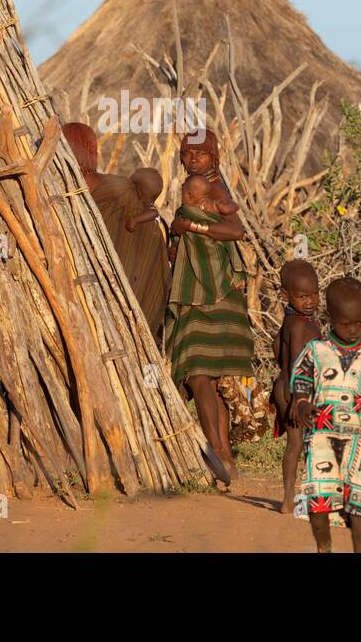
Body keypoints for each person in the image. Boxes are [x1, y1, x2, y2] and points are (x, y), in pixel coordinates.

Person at [164, 128, 252, 486]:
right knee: (207, 380)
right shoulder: (197, 186)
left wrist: (192, 227)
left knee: (202, 377)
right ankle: (223, 456)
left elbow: (236, 231)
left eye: (200, 153)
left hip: (211, 294)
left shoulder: (214, 189)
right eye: (187, 153)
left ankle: (219, 454)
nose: (192, 159)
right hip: (199, 290)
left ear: (214, 155)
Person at [289, 277, 361, 552]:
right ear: (329, 319)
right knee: (320, 497)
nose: (353, 330)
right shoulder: (316, 351)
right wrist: (301, 404)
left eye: (360, 323)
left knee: (359, 503)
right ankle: (324, 547)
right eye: (346, 324)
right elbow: (301, 383)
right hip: (321, 434)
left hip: (360, 438)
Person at [62, 123, 170, 344]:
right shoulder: (120, 189)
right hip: (124, 300)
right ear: (93, 151)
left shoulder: (120, 192)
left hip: (107, 297)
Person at [271, 259, 322, 515]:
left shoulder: (291, 320)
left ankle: (289, 499)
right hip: (295, 389)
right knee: (303, 444)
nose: (310, 301)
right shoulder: (302, 325)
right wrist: (297, 398)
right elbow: (295, 362)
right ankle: (296, 498)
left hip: (285, 385)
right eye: (303, 296)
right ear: (285, 295)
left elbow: (276, 349)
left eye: (315, 294)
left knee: (295, 444)